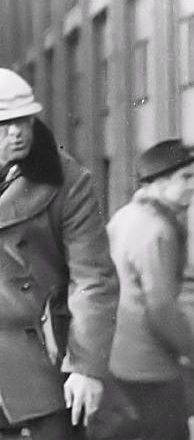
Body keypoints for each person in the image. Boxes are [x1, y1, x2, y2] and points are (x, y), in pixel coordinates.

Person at [0, 68, 119, 438]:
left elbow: (92, 277)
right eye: (4, 124)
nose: (16, 132)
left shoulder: (68, 182)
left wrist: (86, 366)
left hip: (40, 362)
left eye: (24, 120)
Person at [107, 139, 194, 440]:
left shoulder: (124, 216)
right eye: (185, 178)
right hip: (150, 368)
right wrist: (192, 349)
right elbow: (161, 307)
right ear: (160, 182)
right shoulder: (157, 230)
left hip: (118, 358)